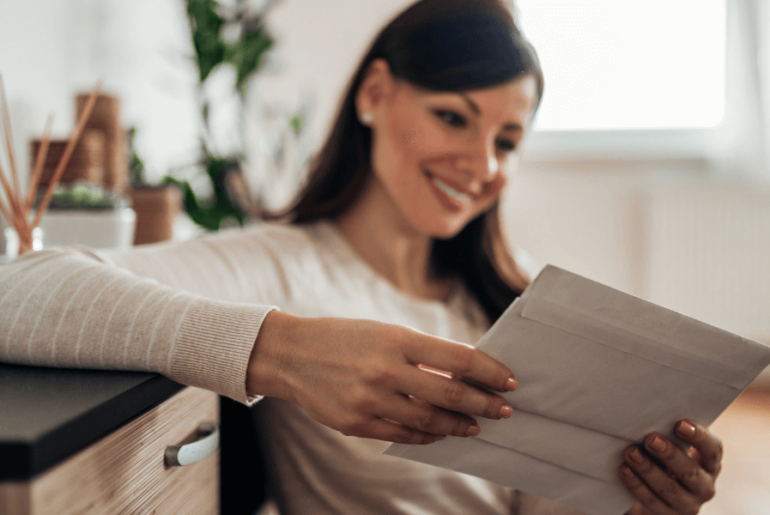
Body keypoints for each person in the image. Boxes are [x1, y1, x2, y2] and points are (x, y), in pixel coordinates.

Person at [0, 0, 722, 513]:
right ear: (375, 94)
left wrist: (643, 503)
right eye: (452, 117)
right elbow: (16, 287)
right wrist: (278, 350)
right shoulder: (282, 266)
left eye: (505, 141)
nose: (479, 163)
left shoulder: (511, 296)